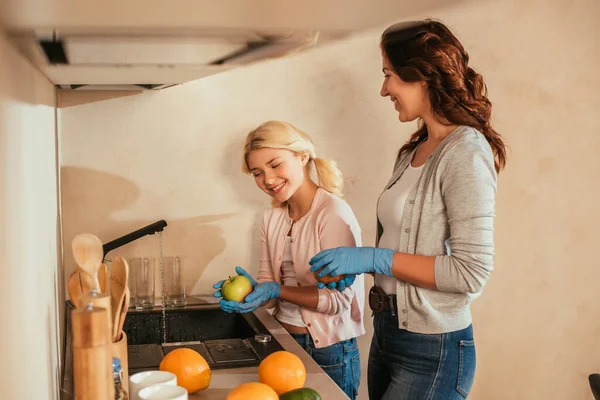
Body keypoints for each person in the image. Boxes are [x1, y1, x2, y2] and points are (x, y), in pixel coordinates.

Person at [309, 20, 507, 399]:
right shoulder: (411, 152)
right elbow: (405, 242)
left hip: (433, 347)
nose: (384, 90)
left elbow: (470, 272)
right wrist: (355, 267)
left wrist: (372, 257)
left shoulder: (465, 151)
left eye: (389, 76)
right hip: (388, 331)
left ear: (422, 76)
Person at [213, 120, 365, 399]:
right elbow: (271, 292)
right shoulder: (271, 219)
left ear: (302, 156)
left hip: (328, 351)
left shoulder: (332, 214)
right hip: (282, 343)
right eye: (258, 173)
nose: (268, 179)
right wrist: (255, 293)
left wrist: (277, 290)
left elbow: (337, 301)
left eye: (275, 165)